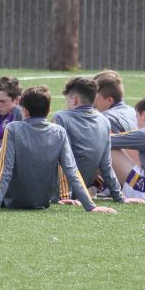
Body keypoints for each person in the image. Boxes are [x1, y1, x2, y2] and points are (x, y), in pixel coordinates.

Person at [0, 86, 115, 214]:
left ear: (25, 110)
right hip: (44, 201)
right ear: (48, 111)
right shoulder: (59, 131)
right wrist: (91, 206)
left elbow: (5, 168)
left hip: (13, 200)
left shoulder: (13, 128)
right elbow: (71, 171)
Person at [51, 76, 133, 204]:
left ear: (75, 100)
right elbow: (106, 165)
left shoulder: (61, 117)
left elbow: (61, 160)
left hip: (59, 192)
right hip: (82, 189)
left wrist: (64, 196)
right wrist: (119, 196)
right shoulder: (104, 121)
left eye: (67, 99)